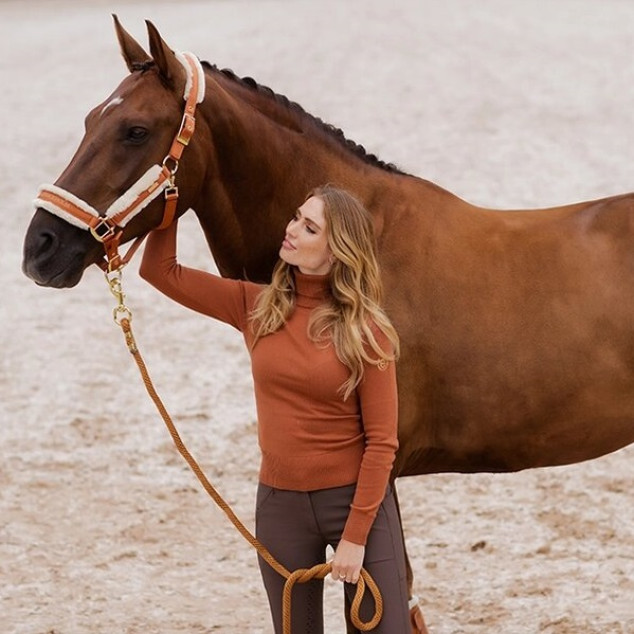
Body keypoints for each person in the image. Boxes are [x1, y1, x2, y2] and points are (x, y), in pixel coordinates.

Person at [139, 184, 411, 633]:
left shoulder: (367, 331)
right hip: (280, 507)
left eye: (309, 227)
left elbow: (383, 443)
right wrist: (172, 202)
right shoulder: (256, 306)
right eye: (295, 217)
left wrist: (356, 538)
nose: (291, 230)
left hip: (356, 504)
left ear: (336, 249)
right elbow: (159, 270)